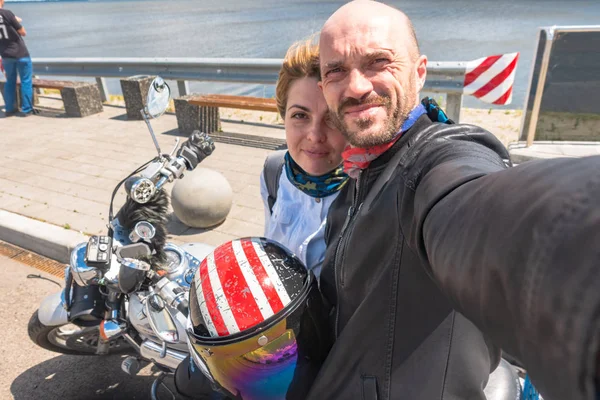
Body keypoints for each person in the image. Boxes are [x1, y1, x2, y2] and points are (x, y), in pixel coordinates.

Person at [305, 1, 600, 400]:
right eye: (336, 70)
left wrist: (579, 259)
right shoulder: (356, 179)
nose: (356, 87)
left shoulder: (440, 158)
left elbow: (477, 207)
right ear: (324, 86)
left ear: (419, 72)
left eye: (379, 62)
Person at [259, 38, 348, 279]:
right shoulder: (273, 172)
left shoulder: (369, 191)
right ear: (283, 118)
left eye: (332, 119)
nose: (315, 136)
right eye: (300, 115)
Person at [0, 0, 35, 117]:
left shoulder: (8, 15)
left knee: (10, 81)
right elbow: (23, 32)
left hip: (5, 54)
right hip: (20, 53)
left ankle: (10, 109)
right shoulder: (7, 13)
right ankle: (26, 109)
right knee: (26, 80)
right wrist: (17, 21)